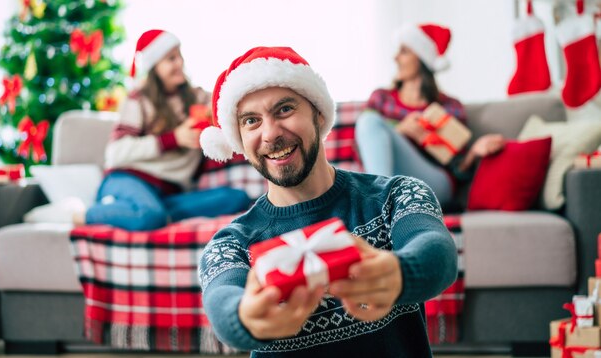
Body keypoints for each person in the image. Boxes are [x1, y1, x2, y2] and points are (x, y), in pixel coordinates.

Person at [197, 46, 457, 357]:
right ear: (239, 139)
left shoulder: (398, 195)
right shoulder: (230, 243)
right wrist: (246, 317)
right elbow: (223, 300)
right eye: (251, 121)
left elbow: (437, 252)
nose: (270, 134)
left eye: (284, 110)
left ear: (319, 115)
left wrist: (400, 273)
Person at [74, 30, 251, 231]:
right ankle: (82, 214)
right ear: (154, 67)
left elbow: (232, 103)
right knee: (149, 215)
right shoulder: (139, 99)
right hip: (128, 179)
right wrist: (173, 138)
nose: (179, 63)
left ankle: (150, 213)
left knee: (237, 198)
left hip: (171, 192)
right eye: (170, 59)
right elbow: (115, 153)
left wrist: (219, 111)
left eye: (180, 56)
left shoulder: (198, 97)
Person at [355, 23, 506, 209]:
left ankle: (378, 207)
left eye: (404, 51)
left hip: (435, 183)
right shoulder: (381, 98)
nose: (395, 57)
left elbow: (459, 171)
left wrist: (429, 140)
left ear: (421, 58)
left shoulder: (450, 107)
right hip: (390, 176)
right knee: (369, 121)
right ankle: (383, 203)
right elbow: (362, 149)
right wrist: (399, 130)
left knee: (370, 122)